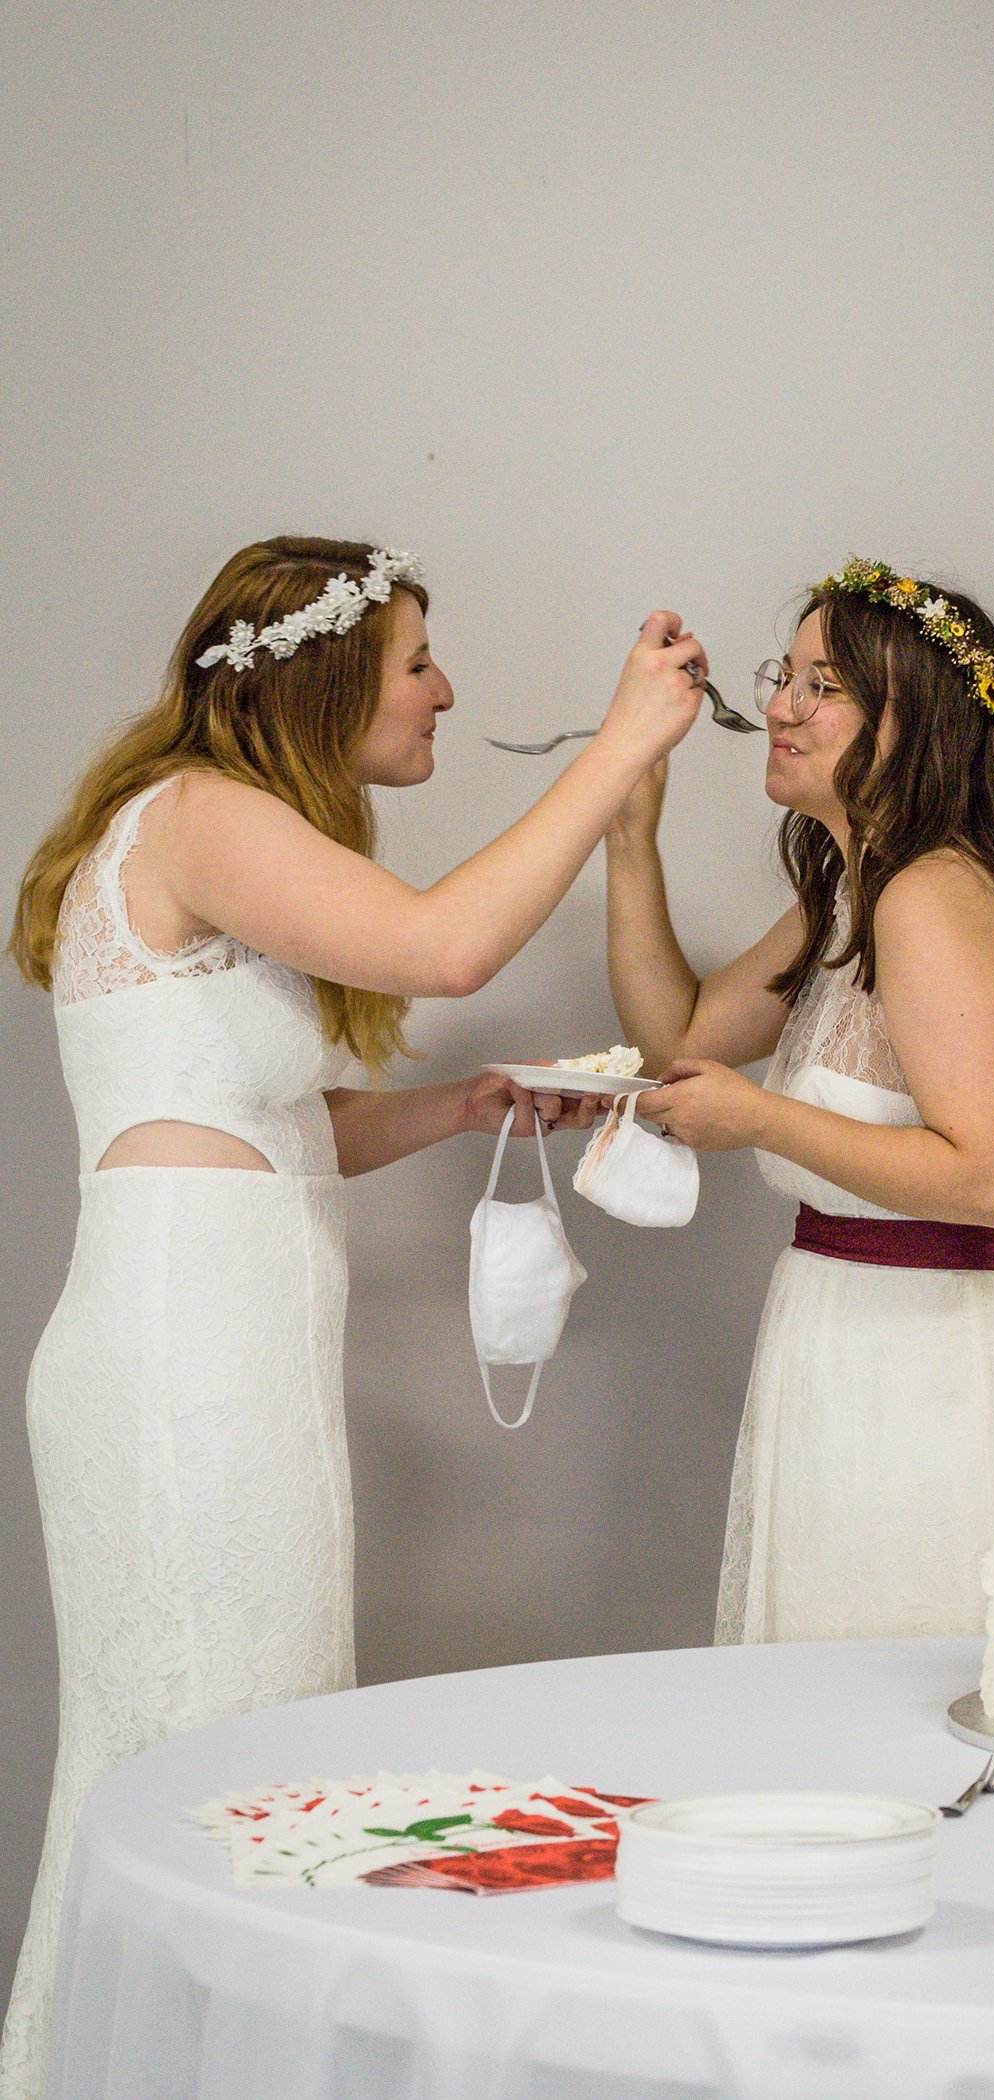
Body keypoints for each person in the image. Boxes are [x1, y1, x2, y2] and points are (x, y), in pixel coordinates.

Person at [2, 535, 706, 2099]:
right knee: (206, 1756)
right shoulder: (196, 814)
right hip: (185, 1361)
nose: (444, 690)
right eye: (416, 663)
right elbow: (448, 944)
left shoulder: (207, 828)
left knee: (245, 1748)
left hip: (223, 1342)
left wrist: (458, 1111)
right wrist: (621, 749)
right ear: (326, 679)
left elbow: (262, 1123)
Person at [604, 557, 994, 1645]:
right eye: (788, 675)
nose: (779, 704)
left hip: (926, 1377)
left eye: (820, 686)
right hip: (849, 1350)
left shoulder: (928, 894)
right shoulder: (854, 887)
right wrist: (628, 829)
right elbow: (677, 1040)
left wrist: (763, 1118)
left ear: (908, 723)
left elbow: (986, 1178)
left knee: (893, 1697)